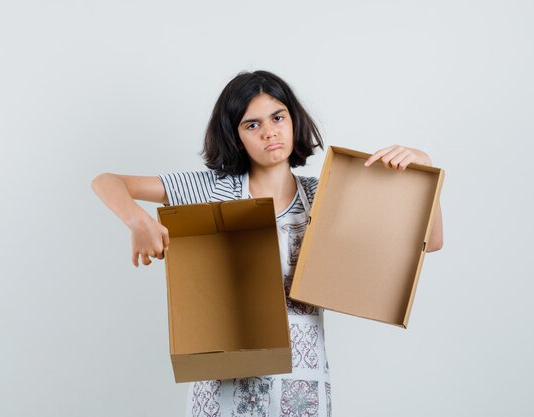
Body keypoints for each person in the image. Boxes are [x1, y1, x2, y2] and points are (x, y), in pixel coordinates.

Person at [91, 70, 443, 417]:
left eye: (277, 117)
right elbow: (107, 181)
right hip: (224, 389)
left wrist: (423, 171)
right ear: (236, 135)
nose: (269, 131)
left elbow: (430, 241)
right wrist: (137, 219)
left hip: (302, 392)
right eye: (252, 124)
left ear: (294, 121)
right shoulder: (214, 190)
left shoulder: (325, 196)